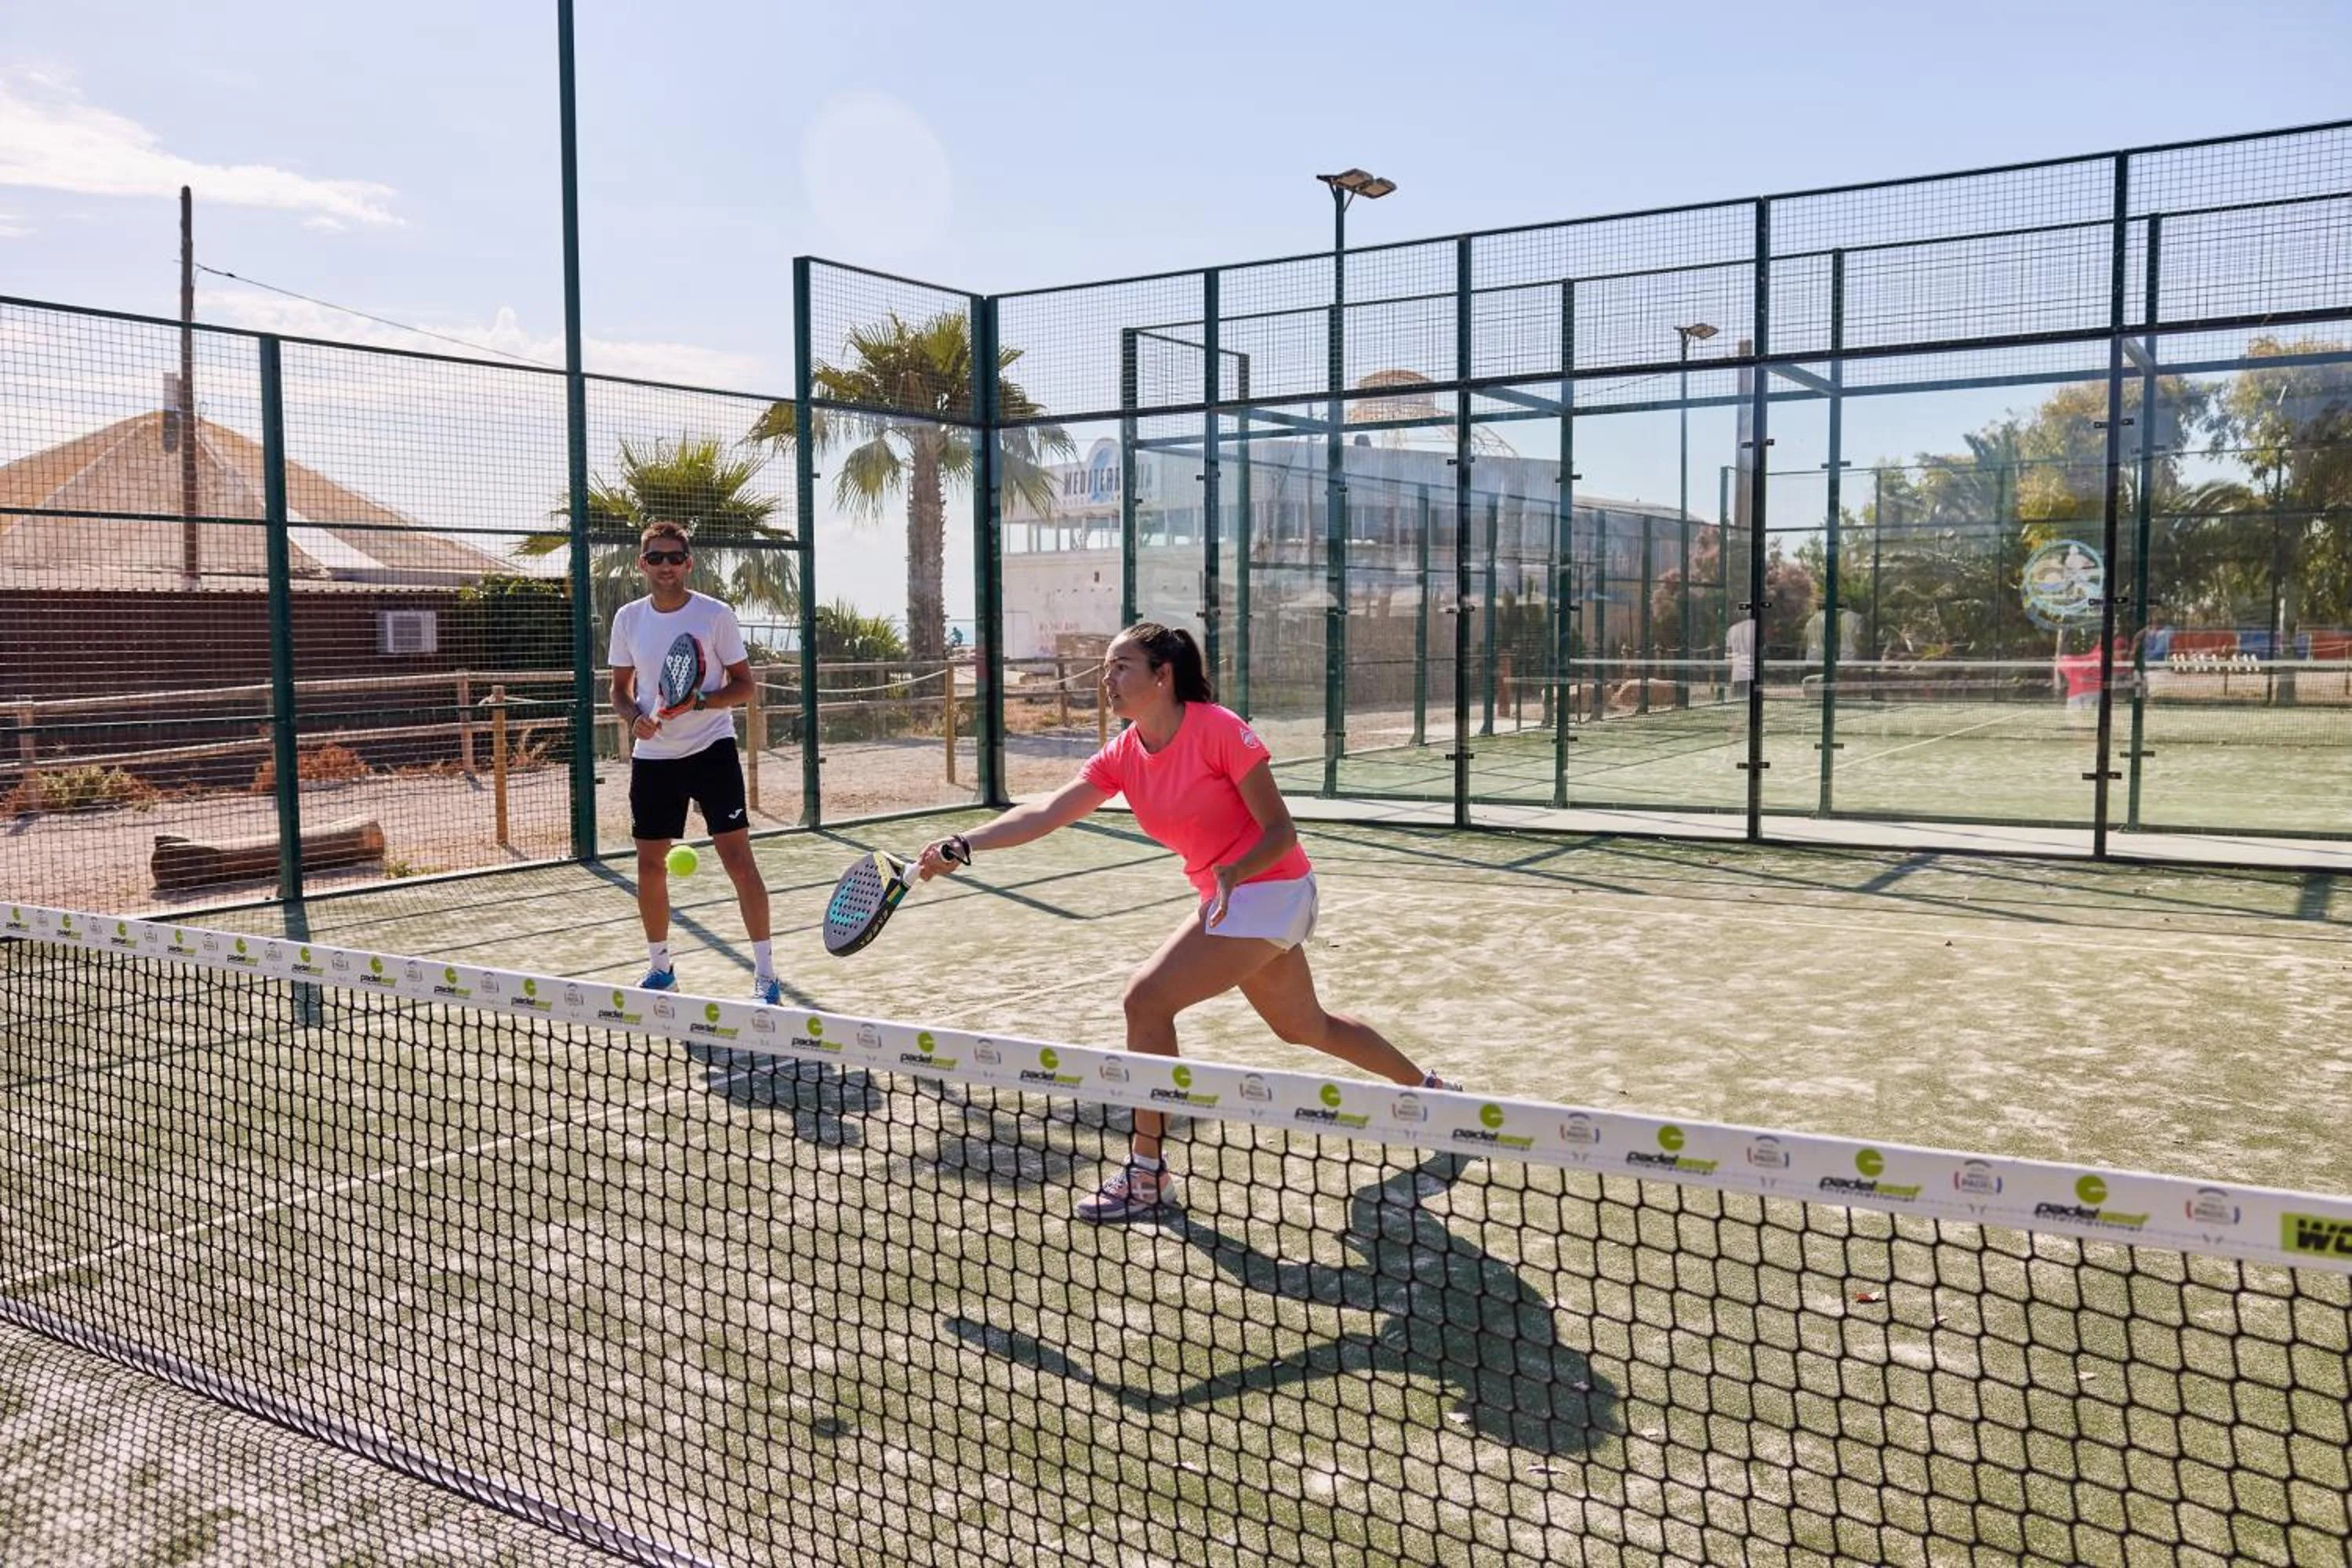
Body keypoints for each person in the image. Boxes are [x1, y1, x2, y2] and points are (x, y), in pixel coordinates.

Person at [915, 621, 1454, 1222]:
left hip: (1270, 890)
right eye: (1107, 667)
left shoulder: (1218, 729)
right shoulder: (1124, 753)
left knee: (1146, 999)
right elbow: (1049, 810)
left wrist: (1236, 871)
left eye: (1121, 666)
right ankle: (1435, 1097)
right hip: (1229, 900)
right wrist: (966, 842)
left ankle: (1147, 1172)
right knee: (1306, 1027)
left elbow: (1281, 832)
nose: (1107, 679)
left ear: (1163, 676)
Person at [608, 519, 779, 1004]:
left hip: (711, 749)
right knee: (649, 866)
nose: (665, 565)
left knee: (738, 860)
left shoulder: (715, 614)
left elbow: (745, 687)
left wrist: (701, 702)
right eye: (655, 557)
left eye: (674, 557)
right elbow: (619, 691)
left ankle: (766, 977)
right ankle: (661, 969)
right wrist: (634, 719)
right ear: (642, 564)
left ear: (689, 563)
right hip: (654, 758)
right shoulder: (628, 619)